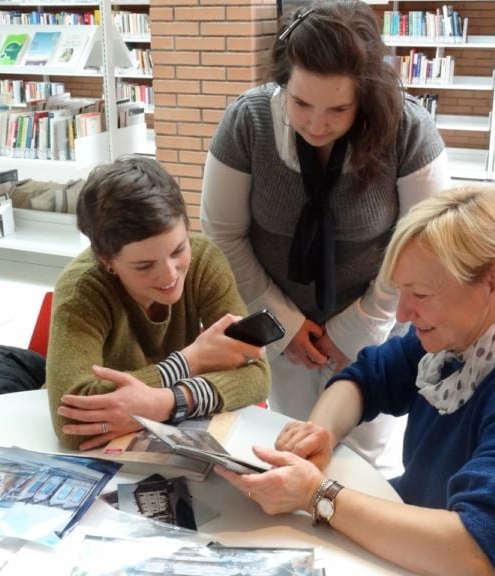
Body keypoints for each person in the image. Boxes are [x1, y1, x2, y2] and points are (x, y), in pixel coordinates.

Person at [215, 186, 495, 575]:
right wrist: (319, 432)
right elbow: (364, 379)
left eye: (420, 293)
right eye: (401, 293)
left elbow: (475, 551)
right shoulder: (464, 335)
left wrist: (318, 495)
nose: (403, 313)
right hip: (424, 522)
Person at [200, 0, 452, 473]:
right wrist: (285, 324)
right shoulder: (247, 122)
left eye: (339, 108)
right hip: (275, 316)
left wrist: (356, 327)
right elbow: (223, 236)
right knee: (288, 443)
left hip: (379, 318)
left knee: (360, 460)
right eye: (300, 103)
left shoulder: (408, 128)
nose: (316, 124)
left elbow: (424, 245)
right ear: (282, 83)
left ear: (367, 94)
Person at [46, 156, 271, 451]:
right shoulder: (83, 289)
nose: (169, 274)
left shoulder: (204, 260)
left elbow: (257, 374)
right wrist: (191, 361)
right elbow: (70, 426)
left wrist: (165, 403)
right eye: (144, 266)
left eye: (178, 249)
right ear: (107, 261)